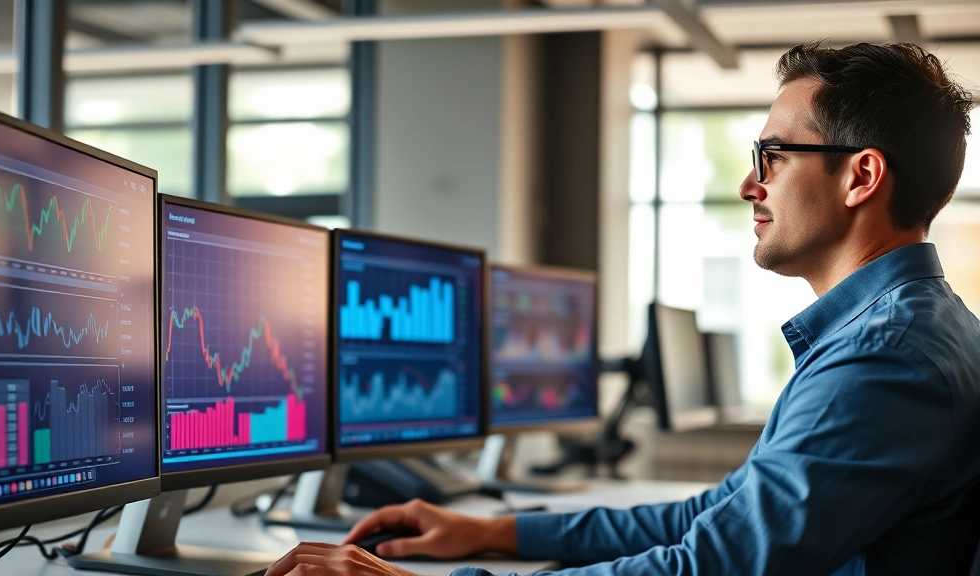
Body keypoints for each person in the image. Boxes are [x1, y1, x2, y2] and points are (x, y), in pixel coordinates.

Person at [266, 41, 980, 576]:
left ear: (861, 175)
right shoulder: (893, 332)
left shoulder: (885, 356)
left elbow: (715, 564)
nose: (748, 185)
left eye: (773, 156)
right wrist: (495, 533)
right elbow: (719, 517)